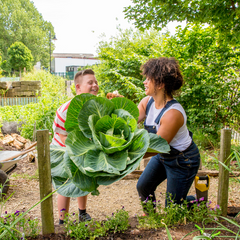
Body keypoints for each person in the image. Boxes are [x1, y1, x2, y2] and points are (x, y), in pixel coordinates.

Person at [137, 57, 200, 212]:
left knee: (172, 208)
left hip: (183, 160)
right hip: (163, 155)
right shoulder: (147, 102)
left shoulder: (173, 114)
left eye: (148, 79)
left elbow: (156, 147)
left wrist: (127, 158)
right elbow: (129, 122)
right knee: (143, 187)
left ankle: (198, 202)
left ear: (160, 84)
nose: (144, 82)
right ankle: (151, 219)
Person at [51, 69, 99, 224]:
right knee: (65, 185)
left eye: (95, 82)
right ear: (78, 88)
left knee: (82, 180)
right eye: (90, 82)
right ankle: (62, 220)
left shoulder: (95, 106)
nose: (95, 85)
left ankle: (82, 212)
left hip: (82, 149)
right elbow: (64, 137)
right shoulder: (65, 110)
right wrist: (79, 150)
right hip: (62, 151)